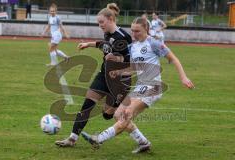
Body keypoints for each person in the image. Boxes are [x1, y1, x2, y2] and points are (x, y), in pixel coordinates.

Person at [81, 17, 195, 153]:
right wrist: (118, 71)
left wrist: (183, 77)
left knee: (127, 113)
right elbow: (134, 67)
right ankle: (143, 142)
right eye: (132, 31)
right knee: (118, 114)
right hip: (141, 86)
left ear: (146, 29)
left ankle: (98, 139)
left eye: (137, 31)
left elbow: (174, 59)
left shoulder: (154, 43)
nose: (134, 34)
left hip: (153, 86)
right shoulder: (133, 46)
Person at [55, 3, 147, 148]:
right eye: (98, 23)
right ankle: (72, 139)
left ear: (110, 19)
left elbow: (130, 61)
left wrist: (117, 59)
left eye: (101, 22)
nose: (99, 25)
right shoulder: (108, 33)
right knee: (87, 105)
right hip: (103, 76)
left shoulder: (124, 37)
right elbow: (104, 43)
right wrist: (88, 44)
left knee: (110, 114)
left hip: (120, 81)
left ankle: (141, 140)